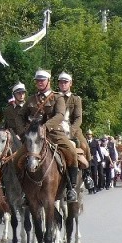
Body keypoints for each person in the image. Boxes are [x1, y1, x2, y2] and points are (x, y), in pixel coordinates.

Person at [15, 70, 79, 202]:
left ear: (48, 81)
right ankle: (24, 190)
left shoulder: (57, 97)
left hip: (54, 133)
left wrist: (46, 127)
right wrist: (22, 132)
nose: (39, 82)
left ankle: (71, 188)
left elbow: (60, 115)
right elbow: (20, 116)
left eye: (42, 80)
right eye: (37, 80)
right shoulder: (32, 99)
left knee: (72, 153)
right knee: (17, 159)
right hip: (34, 137)